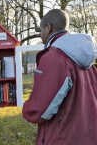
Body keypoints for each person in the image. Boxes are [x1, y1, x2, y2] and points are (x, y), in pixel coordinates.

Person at [22, 9, 97, 145]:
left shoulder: (54, 57)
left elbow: (40, 109)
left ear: (48, 28)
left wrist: (26, 108)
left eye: (41, 30)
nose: (40, 35)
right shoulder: (88, 60)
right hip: (88, 134)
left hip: (62, 137)